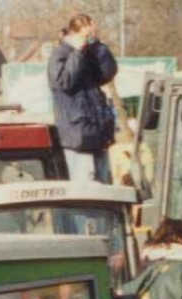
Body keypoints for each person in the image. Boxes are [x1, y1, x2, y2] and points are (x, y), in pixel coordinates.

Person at [46, 12, 117, 183]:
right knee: (86, 182)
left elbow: (106, 74)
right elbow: (63, 82)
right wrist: (77, 53)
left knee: (104, 183)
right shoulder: (60, 54)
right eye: (86, 36)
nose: (88, 41)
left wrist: (98, 46)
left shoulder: (89, 53)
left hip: (98, 131)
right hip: (78, 133)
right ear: (74, 34)